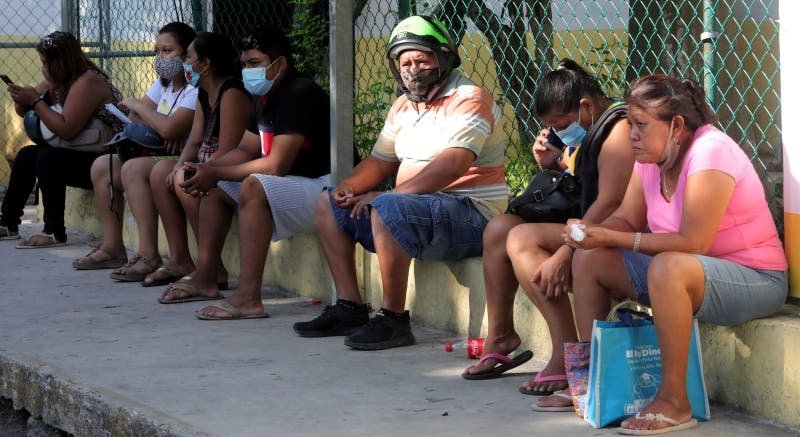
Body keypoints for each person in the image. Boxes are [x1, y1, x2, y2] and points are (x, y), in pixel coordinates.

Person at [561, 74, 788, 433]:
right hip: (685, 271)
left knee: (668, 267)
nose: (631, 134)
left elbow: (693, 242)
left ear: (676, 126)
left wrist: (615, 237)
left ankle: (674, 400)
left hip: (753, 278)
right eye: (630, 124)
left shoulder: (711, 150)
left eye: (640, 125)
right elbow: (625, 217)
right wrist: (590, 235)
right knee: (591, 258)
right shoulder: (651, 156)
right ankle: (595, 383)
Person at [293, 15, 507, 350]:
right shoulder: (403, 105)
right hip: (420, 209)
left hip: (471, 213)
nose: (412, 68)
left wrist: (388, 195)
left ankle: (394, 320)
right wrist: (349, 187)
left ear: (445, 57)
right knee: (328, 202)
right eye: (405, 61)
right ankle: (350, 307)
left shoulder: (469, 97)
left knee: (386, 205)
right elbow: (381, 160)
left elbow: (453, 165)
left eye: (422, 59)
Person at [462, 60, 634, 398]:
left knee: (521, 237)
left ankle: (566, 352)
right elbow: (583, 187)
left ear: (586, 106)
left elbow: (609, 203)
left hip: (612, 230)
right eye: (551, 126)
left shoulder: (618, 131)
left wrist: (568, 251)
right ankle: (501, 336)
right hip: (586, 224)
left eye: (561, 123)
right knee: (499, 229)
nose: (558, 131)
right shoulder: (589, 129)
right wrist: (552, 163)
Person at [159, 26, 332, 315]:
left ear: (280, 64)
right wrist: (207, 168)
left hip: (323, 185)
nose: (248, 71)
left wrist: (218, 172)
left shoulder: (297, 92)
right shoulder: (264, 97)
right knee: (214, 186)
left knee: (252, 184)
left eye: (255, 63)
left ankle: (248, 298)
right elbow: (244, 150)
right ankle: (205, 276)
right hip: (292, 184)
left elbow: (276, 165)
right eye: (244, 64)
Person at [71, 22, 198, 278]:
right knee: (101, 166)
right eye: (157, 51)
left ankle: (149, 255)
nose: (160, 57)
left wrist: (151, 116)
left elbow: (168, 127)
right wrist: (156, 121)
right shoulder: (162, 84)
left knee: (132, 169)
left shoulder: (194, 89)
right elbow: (137, 118)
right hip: (159, 150)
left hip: (177, 157)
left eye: (167, 50)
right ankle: (113, 247)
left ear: (187, 54)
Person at [145, 31, 251, 288]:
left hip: (227, 168)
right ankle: (182, 259)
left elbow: (228, 150)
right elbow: (194, 141)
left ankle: (213, 267)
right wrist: (180, 164)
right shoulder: (203, 91)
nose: (185, 64)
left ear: (205, 64)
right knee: (163, 173)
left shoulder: (231, 92)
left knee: (185, 179)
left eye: (189, 57)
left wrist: (192, 169)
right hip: (206, 163)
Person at [0, 31, 124, 247]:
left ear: (62, 61)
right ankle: (8, 223)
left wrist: (36, 101)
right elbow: (25, 110)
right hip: (85, 155)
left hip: (108, 161)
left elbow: (66, 129)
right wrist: (23, 99)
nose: (44, 67)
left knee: (49, 158)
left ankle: (54, 232)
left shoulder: (87, 81)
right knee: (28, 155)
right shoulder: (60, 80)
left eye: (47, 62)